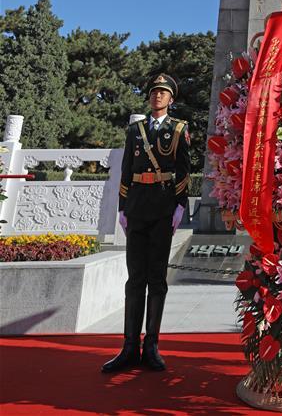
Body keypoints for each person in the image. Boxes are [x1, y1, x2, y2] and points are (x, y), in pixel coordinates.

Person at [102, 73, 191, 373]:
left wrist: (180, 206)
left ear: (171, 99)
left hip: (163, 208)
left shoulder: (179, 129)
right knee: (134, 279)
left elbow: (183, 169)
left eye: (163, 93)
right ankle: (129, 346)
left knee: (157, 279)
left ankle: (151, 345)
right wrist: (123, 208)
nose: (157, 96)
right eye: (154, 92)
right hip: (138, 207)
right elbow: (126, 169)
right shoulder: (135, 129)